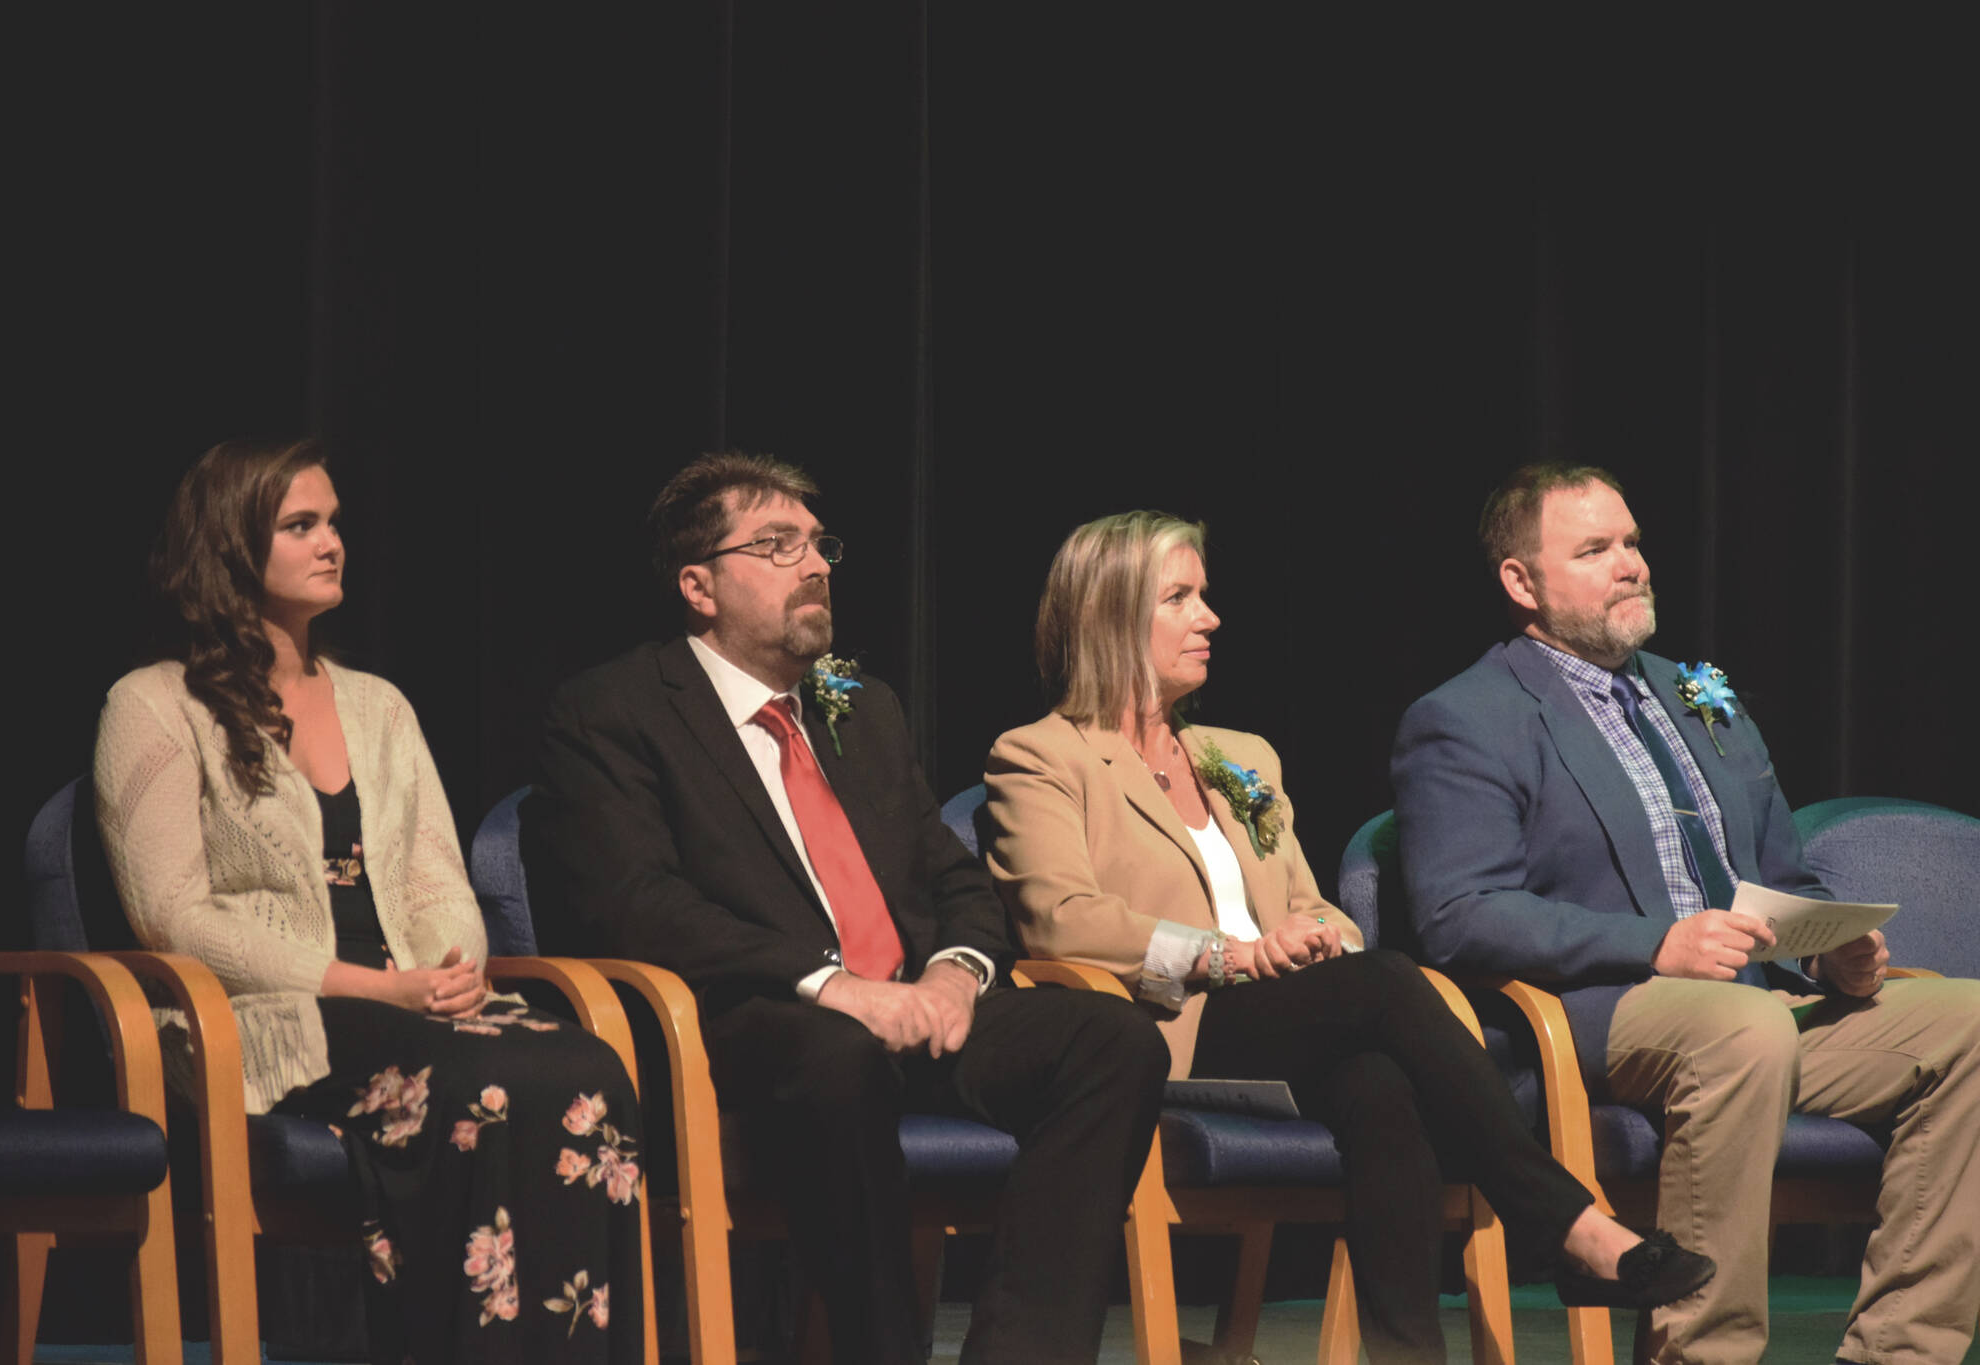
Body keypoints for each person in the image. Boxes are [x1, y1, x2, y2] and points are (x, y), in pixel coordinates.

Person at [985, 511, 1714, 1365]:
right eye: (1180, 597)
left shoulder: (1236, 753)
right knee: (1384, 983)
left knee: (1379, 1086)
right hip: (1164, 1026)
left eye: (1205, 595)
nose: (1210, 616)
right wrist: (1229, 953)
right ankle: (1564, 1219)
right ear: (1108, 616)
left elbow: (1313, 902)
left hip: (1286, 1017)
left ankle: (1409, 1354)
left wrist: (1313, 933)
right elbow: (1060, 918)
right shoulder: (1040, 756)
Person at [519, 452, 1169, 1365]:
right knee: (839, 1052)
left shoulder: (864, 712)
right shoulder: (614, 710)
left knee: (1113, 1039)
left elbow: (957, 884)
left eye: (820, 543)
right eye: (777, 546)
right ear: (698, 586)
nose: (816, 564)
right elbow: (636, 905)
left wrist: (953, 973)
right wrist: (832, 986)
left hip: (905, 1013)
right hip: (738, 1023)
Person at [1391, 463, 1980, 1365]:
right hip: (1601, 1007)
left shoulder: (1698, 695)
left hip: (1759, 1005)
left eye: (1630, 541)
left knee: (1967, 1023)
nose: (1630, 563)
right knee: (1742, 1029)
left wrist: (1830, 951)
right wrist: (1656, 943)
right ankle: (1701, 1352)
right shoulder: (1468, 717)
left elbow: (1785, 871)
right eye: (1594, 550)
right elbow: (1460, 915)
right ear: (1522, 582)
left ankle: (1905, 1351)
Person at [93, 438, 645, 1365]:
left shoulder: (379, 705)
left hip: (415, 1009)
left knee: (593, 1070)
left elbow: (435, 874)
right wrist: (367, 986)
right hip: (267, 1020)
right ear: (230, 546)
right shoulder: (152, 704)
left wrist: (450, 969)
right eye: (301, 525)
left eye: (335, 522)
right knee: (490, 1087)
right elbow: (173, 913)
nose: (332, 542)